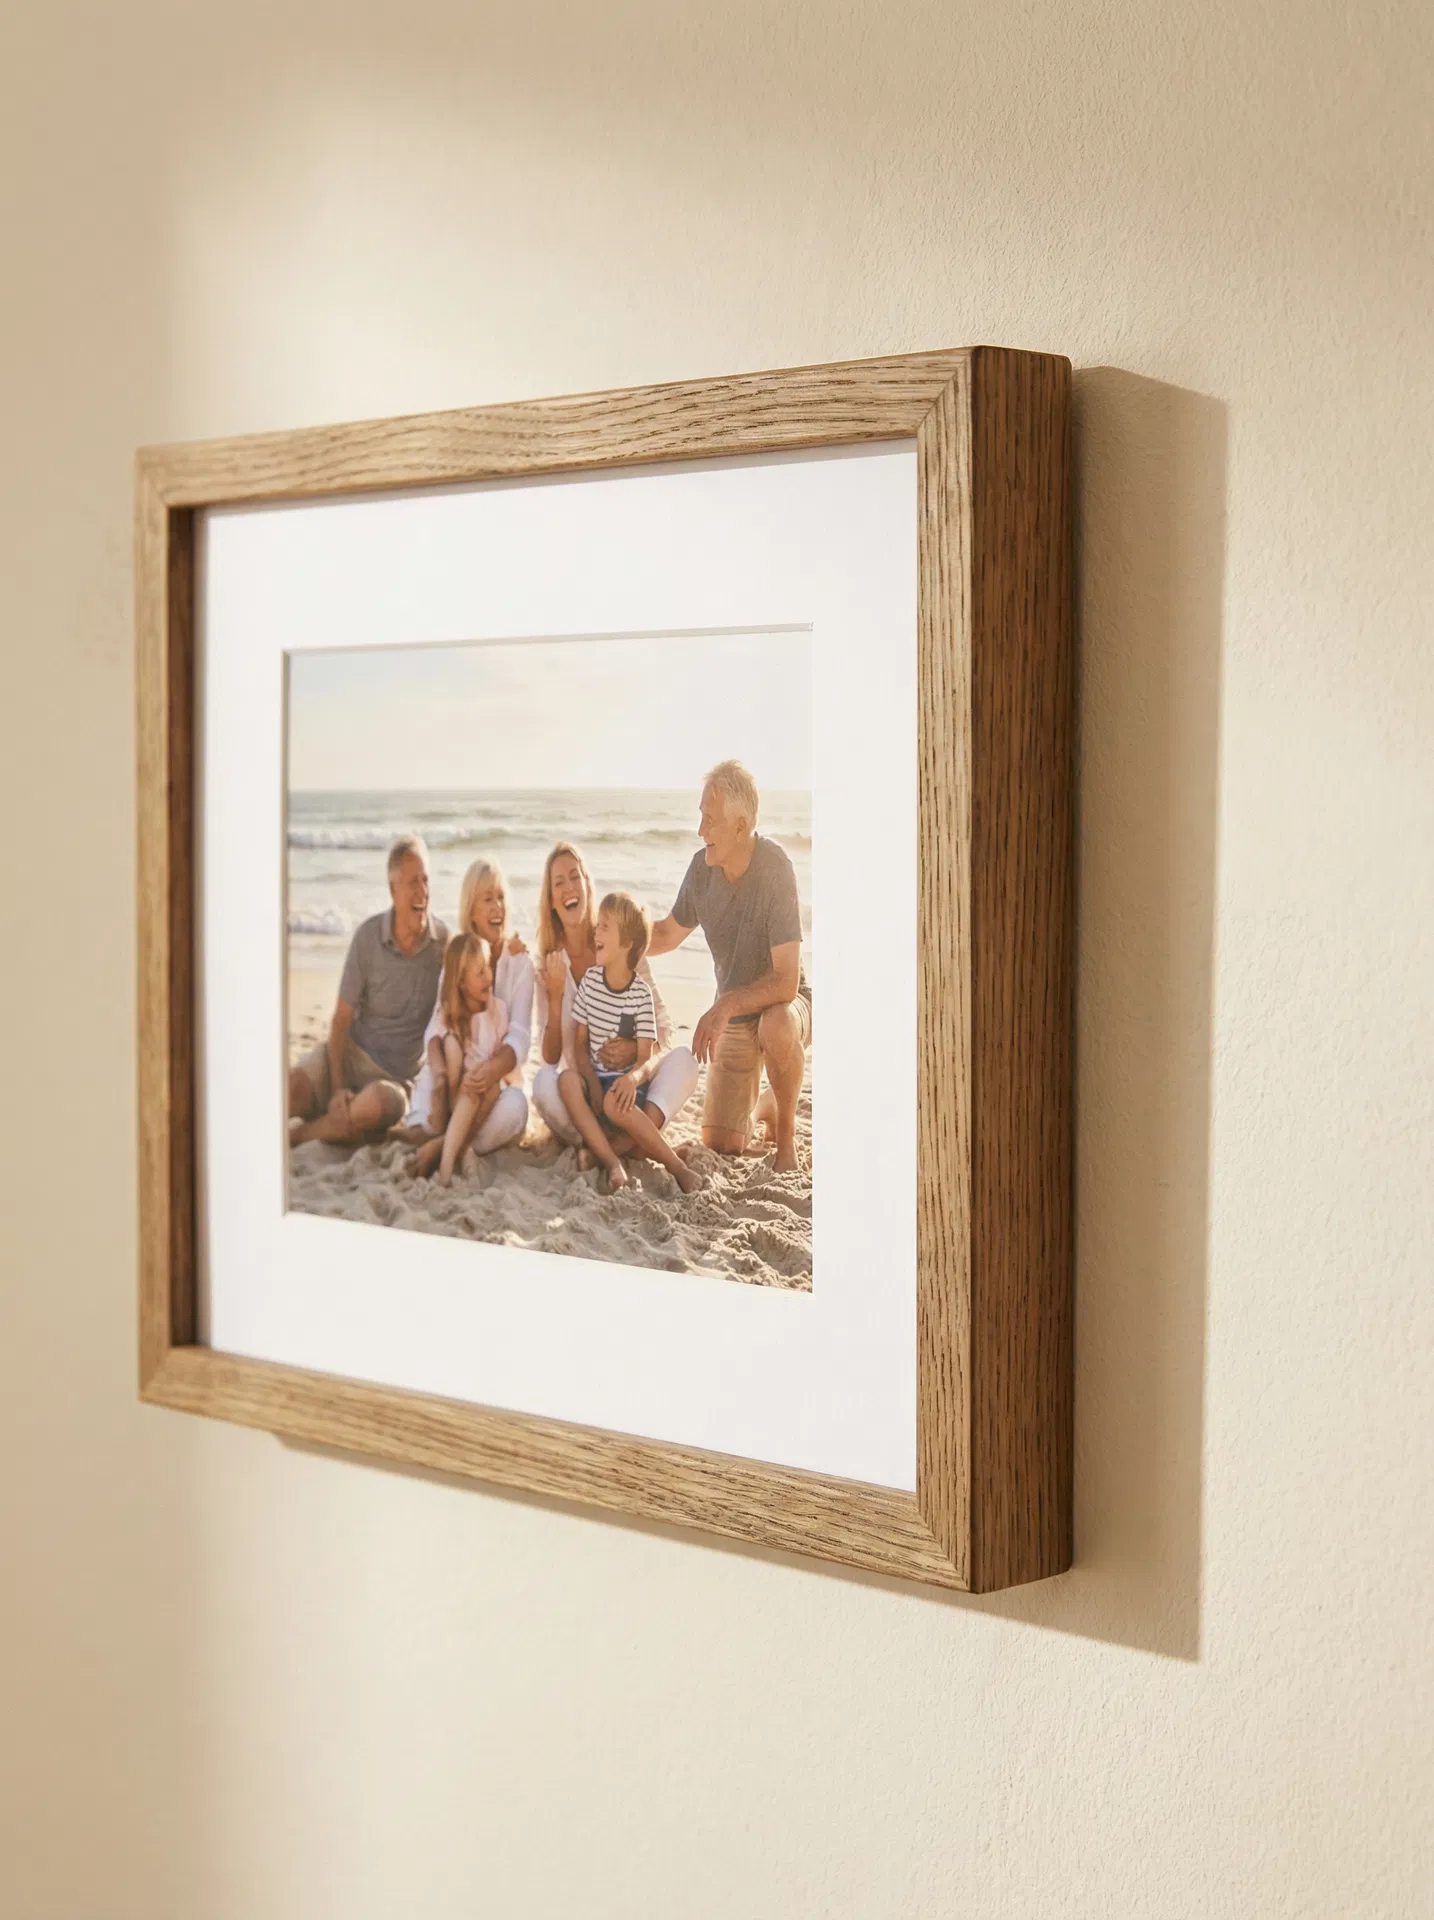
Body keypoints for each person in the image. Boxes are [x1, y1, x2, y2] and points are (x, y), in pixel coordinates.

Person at [647, 760, 811, 1173]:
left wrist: (723, 1006)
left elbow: (786, 982)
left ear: (741, 827)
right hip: (736, 1018)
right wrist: (610, 937)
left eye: (710, 820)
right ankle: (766, 1104)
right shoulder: (702, 871)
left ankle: (786, 1139)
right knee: (722, 1142)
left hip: (788, 1008)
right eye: (700, 818)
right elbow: (666, 934)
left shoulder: (776, 868)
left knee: (775, 1024)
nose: (701, 830)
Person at [529, 839, 699, 1156]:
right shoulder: (550, 964)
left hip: (629, 1089)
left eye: (574, 876)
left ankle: (614, 1147)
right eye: (558, 882)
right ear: (551, 901)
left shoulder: (622, 945)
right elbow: (551, 1058)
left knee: (687, 1059)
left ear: (587, 884)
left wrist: (636, 1051)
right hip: (584, 1094)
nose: (569, 887)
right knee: (543, 1082)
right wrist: (554, 998)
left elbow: (664, 1027)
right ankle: (628, 1144)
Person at [289, 835, 448, 1145]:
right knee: (291, 1089)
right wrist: (337, 1090)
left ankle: (302, 1135)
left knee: (374, 1106)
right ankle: (332, 1116)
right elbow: (340, 1022)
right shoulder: (367, 938)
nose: (423, 891)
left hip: (395, 1081)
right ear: (393, 889)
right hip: (348, 1057)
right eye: (413, 882)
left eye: (426, 880)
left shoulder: (443, 944)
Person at [558, 893, 702, 1195]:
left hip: (628, 1094)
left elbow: (645, 1057)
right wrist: (592, 1085)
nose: (595, 932)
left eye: (604, 927)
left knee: (615, 1100)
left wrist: (630, 1079)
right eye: (598, 926)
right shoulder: (590, 983)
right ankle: (618, 1157)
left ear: (626, 944)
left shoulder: (640, 994)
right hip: (597, 1088)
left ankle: (672, 1165)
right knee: (566, 1081)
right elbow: (580, 1043)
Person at [396, 858, 533, 1157]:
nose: (498, 906)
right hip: (457, 1075)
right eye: (487, 899)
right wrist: (442, 1071)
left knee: (515, 1106)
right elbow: (437, 1023)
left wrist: (492, 1070)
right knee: (433, 1076)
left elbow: (521, 1035)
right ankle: (447, 1141)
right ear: (471, 908)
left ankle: (442, 1146)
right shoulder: (457, 955)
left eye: (501, 897)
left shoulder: (519, 961)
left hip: (495, 1083)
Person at [407, 933, 509, 1185]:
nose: (488, 976)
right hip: (454, 1096)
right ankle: (450, 1161)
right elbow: (437, 1049)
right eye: (479, 972)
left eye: (488, 967)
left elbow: (500, 1061)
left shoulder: (498, 1012)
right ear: (461, 983)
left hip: (484, 1091)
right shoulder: (448, 1015)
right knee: (451, 1047)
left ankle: (446, 1160)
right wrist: (447, 1077)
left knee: (488, 1086)